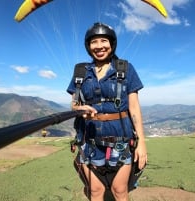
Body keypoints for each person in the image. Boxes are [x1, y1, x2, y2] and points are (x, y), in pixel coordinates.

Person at [67, 22, 147, 201]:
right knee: (95, 191)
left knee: (120, 190)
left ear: (112, 44)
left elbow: (134, 107)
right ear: (88, 46)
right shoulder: (81, 71)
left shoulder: (125, 69)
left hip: (121, 139)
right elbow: (74, 104)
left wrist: (141, 143)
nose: (99, 46)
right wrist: (80, 108)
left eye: (104, 41)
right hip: (90, 140)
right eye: (94, 42)